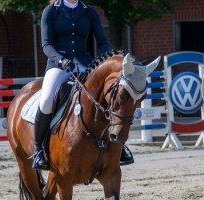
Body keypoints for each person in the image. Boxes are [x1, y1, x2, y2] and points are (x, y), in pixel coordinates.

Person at [32, 0, 134, 170]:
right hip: (59, 65)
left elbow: (102, 42)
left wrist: (105, 59)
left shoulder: (89, 11)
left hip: (86, 65)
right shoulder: (51, 11)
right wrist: (61, 60)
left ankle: (120, 147)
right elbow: (46, 45)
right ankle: (39, 150)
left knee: (108, 96)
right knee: (47, 99)